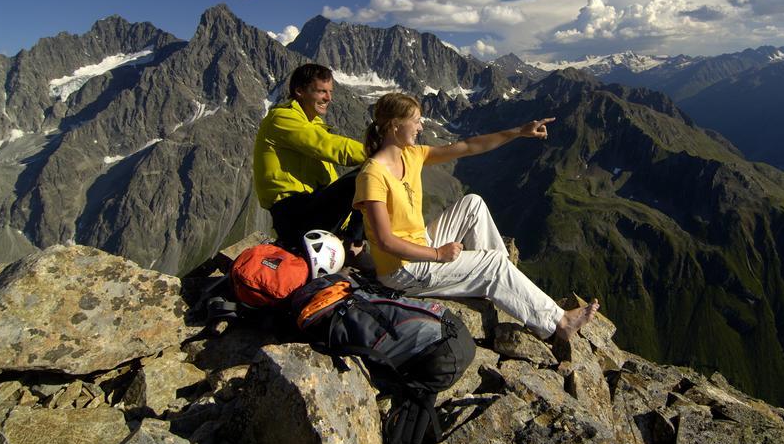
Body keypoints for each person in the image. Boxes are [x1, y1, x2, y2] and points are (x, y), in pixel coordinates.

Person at [353, 92, 599, 341]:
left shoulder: (411, 155)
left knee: (473, 204)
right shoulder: (372, 175)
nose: (421, 126)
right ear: (395, 125)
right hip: (402, 270)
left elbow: (469, 146)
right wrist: (439, 254)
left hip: (419, 245)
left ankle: (501, 283)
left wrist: (518, 132)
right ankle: (560, 321)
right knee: (492, 264)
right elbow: (385, 241)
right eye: (416, 121)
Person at [253, 63, 367, 251]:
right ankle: (353, 245)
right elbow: (330, 146)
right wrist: (379, 153)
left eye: (330, 91)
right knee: (365, 174)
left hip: (310, 210)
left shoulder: (313, 123)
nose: (329, 98)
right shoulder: (282, 118)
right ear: (299, 91)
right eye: (322, 91)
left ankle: (356, 240)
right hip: (294, 214)